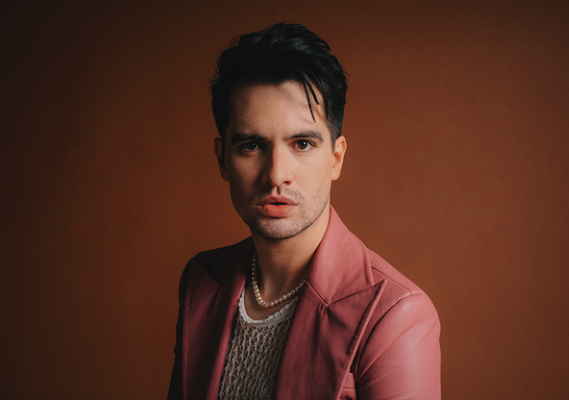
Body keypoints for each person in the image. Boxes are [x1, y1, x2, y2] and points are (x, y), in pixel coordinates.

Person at [168, 23, 440, 400]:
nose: (276, 174)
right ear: (222, 160)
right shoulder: (202, 280)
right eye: (251, 145)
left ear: (336, 158)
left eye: (302, 144)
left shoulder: (394, 314)